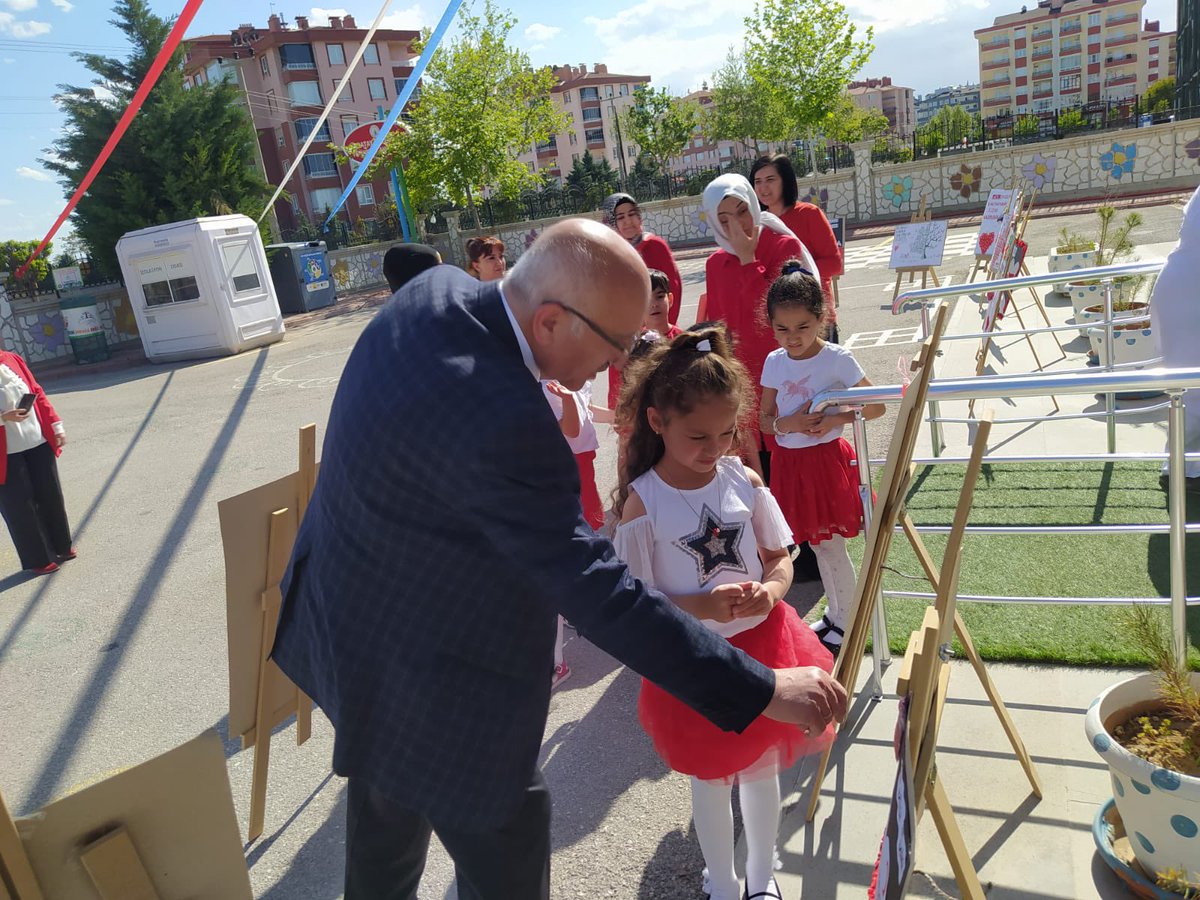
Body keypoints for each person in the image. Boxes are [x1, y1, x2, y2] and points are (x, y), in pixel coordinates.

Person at [270, 218, 847, 900]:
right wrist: (759, 688)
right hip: (431, 673)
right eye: (615, 345)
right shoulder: (507, 419)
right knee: (506, 833)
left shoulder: (432, 296)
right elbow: (598, 590)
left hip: (350, 629)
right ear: (550, 321)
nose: (618, 367)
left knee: (385, 813)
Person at [612, 326, 834, 900]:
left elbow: (779, 558)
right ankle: (725, 882)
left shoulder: (744, 479)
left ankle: (762, 878)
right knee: (710, 781)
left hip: (764, 644)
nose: (714, 448)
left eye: (726, 432)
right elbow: (632, 602)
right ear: (657, 422)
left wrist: (773, 591)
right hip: (693, 659)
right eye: (697, 436)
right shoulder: (645, 500)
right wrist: (700, 605)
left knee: (761, 774)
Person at [758, 262, 884, 655]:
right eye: (782, 329)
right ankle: (837, 614)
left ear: (822, 319)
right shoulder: (774, 361)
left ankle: (848, 622)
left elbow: (876, 405)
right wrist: (789, 423)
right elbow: (764, 419)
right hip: (791, 465)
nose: (792, 337)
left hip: (826, 462)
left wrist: (838, 416)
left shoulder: (837, 359)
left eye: (802, 327)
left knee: (830, 546)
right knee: (815, 545)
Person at [700, 173, 817, 481]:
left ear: (754, 205)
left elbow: (784, 316)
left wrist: (749, 261)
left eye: (742, 211)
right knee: (755, 472)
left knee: (796, 463)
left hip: (787, 376)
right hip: (743, 383)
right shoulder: (715, 264)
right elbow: (719, 327)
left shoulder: (783, 246)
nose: (737, 226)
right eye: (724, 219)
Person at [542, 376, 606, 689]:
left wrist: (619, 416)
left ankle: (577, 608)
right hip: (565, 465)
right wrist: (567, 398)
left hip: (581, 464)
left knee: (582, 537)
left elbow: (585, 414)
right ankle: (574, 609)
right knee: (574, 541)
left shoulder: (570, 383)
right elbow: (570, 429)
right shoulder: (548, 386)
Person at [750, 154, 844, 343]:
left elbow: (834, 264)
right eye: (757, 181)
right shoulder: (757, 224)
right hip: (779, 326)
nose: (762, 187)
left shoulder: (809, 214)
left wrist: (795, 275)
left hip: (815, 320)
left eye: (770, 180)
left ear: (785, 181)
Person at [0, 350, 74, 575]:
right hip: (6, 452)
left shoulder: (12, 358)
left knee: (50, 493)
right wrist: (3, 417)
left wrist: (56, 425)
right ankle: (38, 558)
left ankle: (62, 545)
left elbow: (36, 392)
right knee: (19, 505)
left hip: (37, 439)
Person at [1151, 184, 1200, 493]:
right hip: (1188, 299)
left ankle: (1184, 468)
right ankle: (1181, 471)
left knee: (1190, 394)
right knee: (1191, 395)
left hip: (1184, 291)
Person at [607, 268, 683, 411]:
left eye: (659, 296)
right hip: (638, 422)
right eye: (646, 299)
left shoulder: (682, 340)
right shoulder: (626, 347)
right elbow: (617, 395)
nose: (654, 304)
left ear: (670, 299)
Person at [602, 192, 684, 324]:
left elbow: (673, 289)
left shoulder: (655, 246)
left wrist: (663, 329)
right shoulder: (610, 255)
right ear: (612, 223)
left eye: (632, 214)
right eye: (621, 217)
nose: (628, 221)